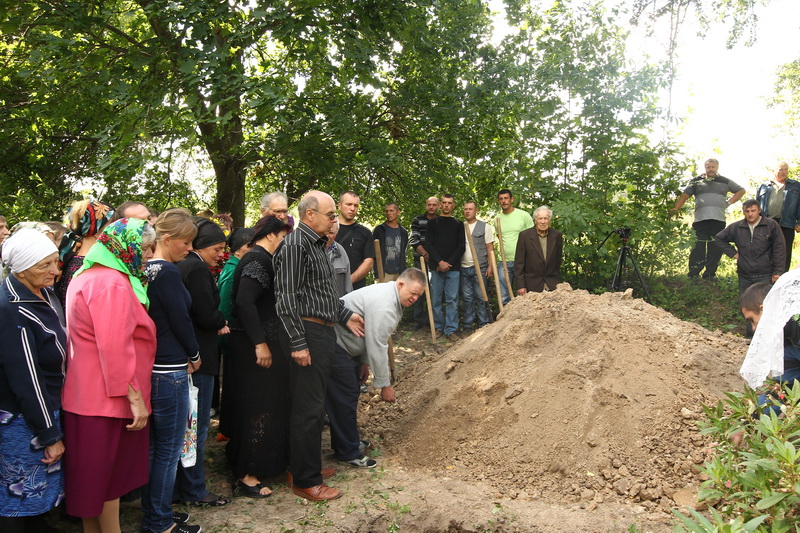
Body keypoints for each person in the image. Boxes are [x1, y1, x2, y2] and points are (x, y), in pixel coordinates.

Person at [62, 218, 157, 532]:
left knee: (93, 484)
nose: (148, 255)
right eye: (144, 248)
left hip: (88, 395)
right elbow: (115, 348)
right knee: (107, 483)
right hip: (107, 399)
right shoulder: (111, 283)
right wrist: (137, 401)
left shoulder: (88, 274)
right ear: (125, 246)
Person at [273, 190, 364, 502]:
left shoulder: (318, 245)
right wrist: (298, 343)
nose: (334, 220)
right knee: (308, 409)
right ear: (309, 215)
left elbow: (322, 294)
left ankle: (304, 466)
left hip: (323, 332)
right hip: (307, 334)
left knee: (313, 406)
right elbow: (286, 298)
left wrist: (346, 315)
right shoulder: (295, 245)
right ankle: (306, 480)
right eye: (330, 214)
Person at [326, 268, 426, 470]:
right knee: (345, 396)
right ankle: (348, 452)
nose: (415, 298)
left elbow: (369, 333)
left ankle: (346, 443)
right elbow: (377, 344)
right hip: (332, 345)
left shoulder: (391, 296)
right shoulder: (384, 305)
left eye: (419, 296)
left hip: (344, 347)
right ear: (400, 284)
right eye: (412, 293)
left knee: (347, 395)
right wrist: (384, 385)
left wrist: (363, 362)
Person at [142, 209, 203, 533]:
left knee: (156, 448)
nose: (189, 249)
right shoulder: (166, 272)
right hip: (170, 369)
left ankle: (156, 512)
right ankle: (159, 522)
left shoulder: (146, 269)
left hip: (153, 365)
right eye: (186, 242)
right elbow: (180, 318)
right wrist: (195, 352)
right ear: (166, 239)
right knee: (168, 450)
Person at [0, 230, 65, 533]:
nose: (55, 271)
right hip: (23, 417)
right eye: (44, 265)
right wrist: (49, 434)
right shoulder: (12, 308)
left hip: (45, 407)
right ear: (22, 268)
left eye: (55, 261)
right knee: (16, 496)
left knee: (37, 489)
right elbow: (27, 378)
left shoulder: (44, 291)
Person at [226, 216, 293, 498]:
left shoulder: (263, 258)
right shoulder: (258, 260)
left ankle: (259, 464)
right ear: (272, 234)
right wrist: (260, 344)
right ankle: (247, 474)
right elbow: (244, 302)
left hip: (262, 343)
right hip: (253, 347)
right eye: (284, 236)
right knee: (257, 406)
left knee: (266, 403)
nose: (285, 242)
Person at [175, 218, 231, 507]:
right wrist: (221, 321)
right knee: (196, 427)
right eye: (217, 249)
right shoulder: (196, 269)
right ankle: (194, 488)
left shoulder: (184, 265)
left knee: (186, 426)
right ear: (200, 246)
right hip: (199, 358)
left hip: (190, 355)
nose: (220, 255)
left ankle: (181, 486)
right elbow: (205, 314)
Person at [671, 158, 746, 280]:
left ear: (717, 167)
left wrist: (728, 202)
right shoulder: (696, 181)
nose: (711, 169)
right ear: (705, 168)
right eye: (708, 167)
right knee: (698, 247)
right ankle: (693, 274)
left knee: (715, 248)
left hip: (718, 220)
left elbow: (741, 191)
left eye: (713, 167)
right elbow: (684, 195)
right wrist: (675, 209)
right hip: (700, 220)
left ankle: (710, 275)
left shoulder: (724, 181)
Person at [715, 199, 786, 295]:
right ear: (743, 212)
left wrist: (778, 272)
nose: (750, 214)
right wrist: (733, 254)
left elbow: (780, 248)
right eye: (747, 211)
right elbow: (719, 238)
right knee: (745, 302)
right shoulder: (737, 227)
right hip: (744, 275)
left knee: (763, 302)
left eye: (753, 211)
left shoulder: (771, 225)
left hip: (765, 274)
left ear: (759, 210)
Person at [56, 199, 116, 305]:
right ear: (97, 232)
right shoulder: (88, 266)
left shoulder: (72, 259)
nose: (116, 231)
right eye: (112, 226)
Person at [425, 194, 465, 341]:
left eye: (449, 203)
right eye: (444, 202)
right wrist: (439, 262)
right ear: (440, 205)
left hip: (453, 268)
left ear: (453, 205)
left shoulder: (458, 224)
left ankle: (451, 329)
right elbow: (428, 244)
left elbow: (461, 246)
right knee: (435, 299)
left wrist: (448, 263)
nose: (447, 205)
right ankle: (438, 327)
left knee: (452, 300)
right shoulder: (432, 223)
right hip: (436, 268)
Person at [756, 161, 800, 271]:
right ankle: (765, 276)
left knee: (784, 251)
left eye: (786, 169)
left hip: (787, 223)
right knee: (765, 250)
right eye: (780, 169)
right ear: (773, 171)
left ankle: (782, 276)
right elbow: (757, 205)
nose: (783, 172)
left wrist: (799, 221)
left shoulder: (796, 186)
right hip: (767, 223)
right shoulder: (764, 186)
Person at [460, 201, 494, 331]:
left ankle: (483, 325)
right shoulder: (461, 227)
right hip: (464, 267)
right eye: (465, 209)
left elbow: (490, 247)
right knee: (467, 297)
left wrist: (491, 266)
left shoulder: (485, 227)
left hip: (480, 267)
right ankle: (468, 325)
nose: (467, 211)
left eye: (470, 209)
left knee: (481, 296)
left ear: (476, 210)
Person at [496, 189, 533, 304]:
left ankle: (523, 316)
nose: (504, 201)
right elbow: (499, 238)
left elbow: (532, 238)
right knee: (504, 296)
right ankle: (505, 315)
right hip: (504, 262)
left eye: (506, 198)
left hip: (522, 261)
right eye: (501, 199)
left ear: (512, 199)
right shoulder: (497, 218)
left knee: (523, 295)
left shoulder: (523, 215)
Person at [514, 206, 564, 294]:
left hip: (552, 285)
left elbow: (558, 261)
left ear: (549, 220)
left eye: (546, 218)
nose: (543, 222)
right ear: (535, 220)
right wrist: (520, 285)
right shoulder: (525, 236)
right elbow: (519, 263)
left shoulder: (557, 235)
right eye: (540, 218)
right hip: (531, 285)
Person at [408, 197, 439, 329]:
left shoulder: (440, 221)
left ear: (438, 206)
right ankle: (418, 321)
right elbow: (413, 240)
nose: (431, 207)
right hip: (420, 260)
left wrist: (435, 258)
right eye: (429, 205)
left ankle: (431, 321)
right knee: (418, 290)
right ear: (426, 206)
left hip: (436, 262)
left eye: (434, 205)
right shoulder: (418, 220)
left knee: (434, 291)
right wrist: (425, 254)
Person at [335, 191, 375, 290]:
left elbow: (369, 262)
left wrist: (348, 281)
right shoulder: (327, 229)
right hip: (327, 288)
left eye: (356, 205)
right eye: (349, 204)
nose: (352, 208)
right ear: (339, 206)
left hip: (355, 289)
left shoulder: (365, 233)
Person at [373, 203, 408, 281]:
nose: (389, 213)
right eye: (387, 211)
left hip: (399, 273)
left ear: (398, 212)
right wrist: (376, 272)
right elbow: (372, 251)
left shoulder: (403, 232)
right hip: (383, 272)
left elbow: (403, 252)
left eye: (391, 210)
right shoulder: (379, 230)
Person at [326, 219, 353, 297]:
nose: (327, 236)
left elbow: (348, 286)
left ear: (336, 233)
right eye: (325, 232)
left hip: (338, 302)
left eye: (331, 233)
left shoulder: (341, 251)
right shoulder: (310, 249)